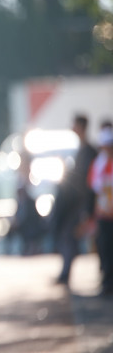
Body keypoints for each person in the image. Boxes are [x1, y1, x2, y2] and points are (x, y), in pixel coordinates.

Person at [51, 114, 98, 285]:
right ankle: (65, 272)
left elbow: (89, 183)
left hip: (82, 204)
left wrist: (87, 209)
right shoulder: (81, 150)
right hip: (76, 204)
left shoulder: (89, 152)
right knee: (68, 237)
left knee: (72, 238)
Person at [87, 122, 113, 295]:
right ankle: (107, 282)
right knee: (104, 249)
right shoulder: (98, 164)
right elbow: (94, 187)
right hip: (103, 214)